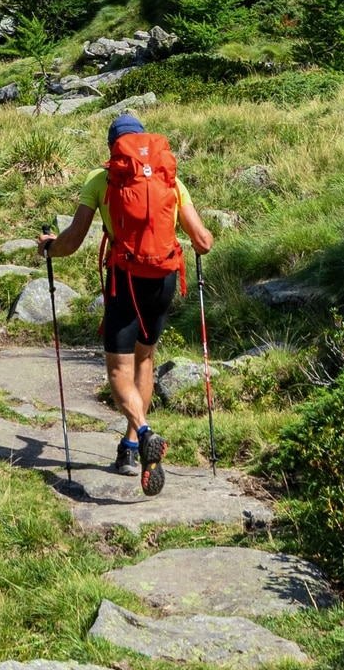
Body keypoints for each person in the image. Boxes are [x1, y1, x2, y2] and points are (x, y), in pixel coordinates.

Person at [37, 110, 215, 496]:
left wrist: (50, 248)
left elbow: (72, 241)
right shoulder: (170, 178)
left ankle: (146, 432)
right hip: (164, 279)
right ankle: (131, 448)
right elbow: (201, 241)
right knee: (144, 359)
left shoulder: (101, 180)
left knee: (119, 370)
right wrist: (204, 237)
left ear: (113, 147)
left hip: (125, 280)